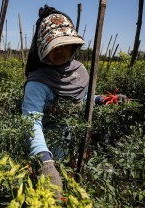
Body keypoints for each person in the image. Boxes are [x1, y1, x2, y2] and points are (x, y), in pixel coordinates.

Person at [22, 5, 127, 197]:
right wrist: (45, 163)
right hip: (42, 151)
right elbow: (31, 121)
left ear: (73, 46)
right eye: (54, 46)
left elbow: (81, 99)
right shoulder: (37, 83)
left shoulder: (79, 72)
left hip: (69, 145)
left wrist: (102, 99)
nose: (60, 51)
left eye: (65, 45)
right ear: (43, 49)